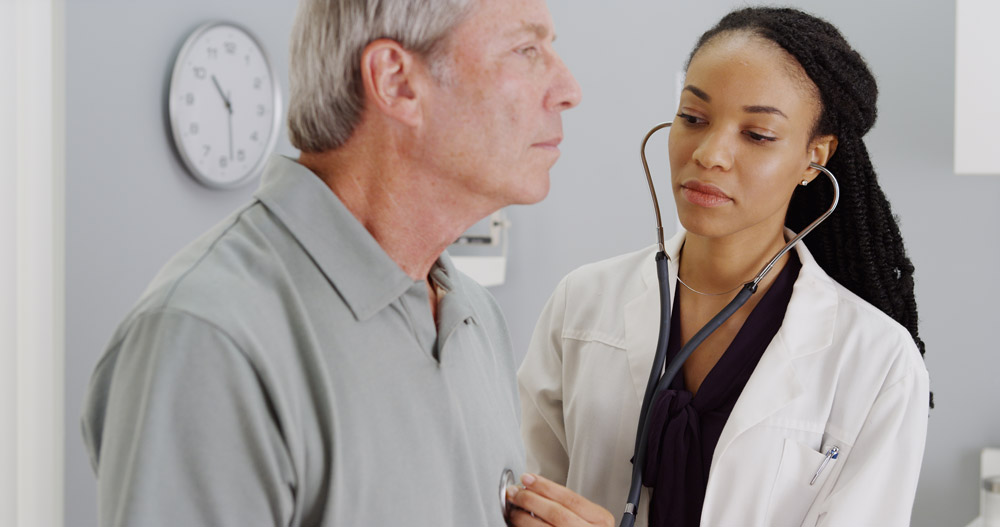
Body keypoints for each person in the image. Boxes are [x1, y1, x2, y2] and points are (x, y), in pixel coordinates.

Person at [81, 0, 581, 525]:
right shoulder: (206, 338)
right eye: (526, 50)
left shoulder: (475, 318)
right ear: (396, 81)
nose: (569, 89)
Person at [509, 7, 929, 527]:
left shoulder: (877, 361)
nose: (710, 154)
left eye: (757, 134)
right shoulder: (581, 304)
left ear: (813, 157)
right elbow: (520, 497)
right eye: (693, 118)